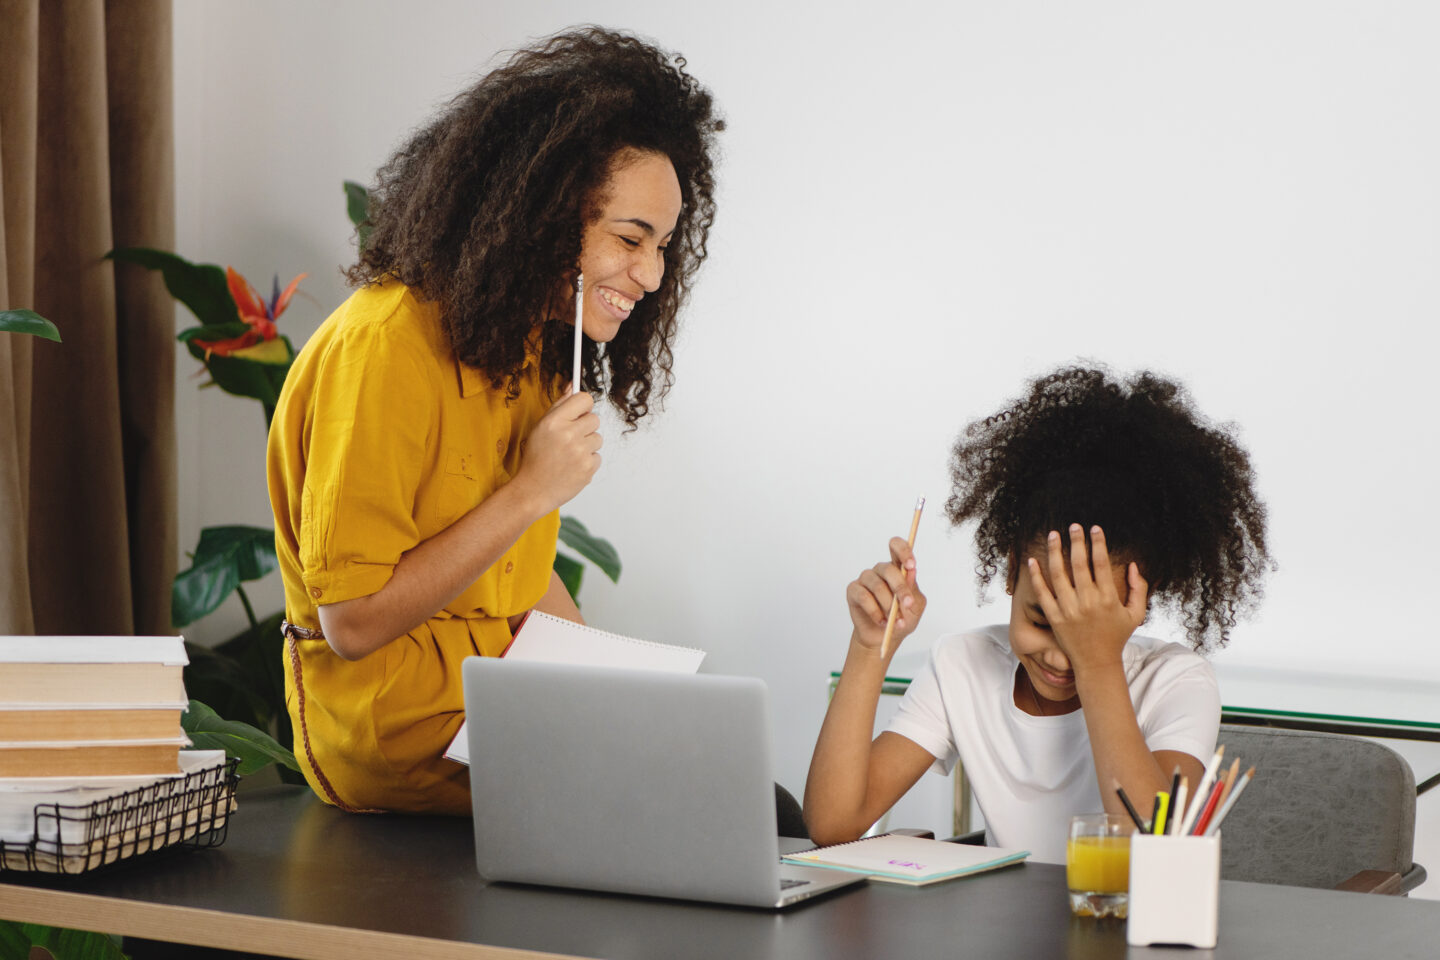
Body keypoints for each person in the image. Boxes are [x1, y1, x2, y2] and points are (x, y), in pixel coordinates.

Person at [266, 28, 722, 815]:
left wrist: (634, 693)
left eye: (663, 247)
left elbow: (513, 576)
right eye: (629, 238)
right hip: (401, 738)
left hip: (493, 708)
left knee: (732, 788)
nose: (650, 275)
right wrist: (529, 492)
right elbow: (353, 621)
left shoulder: (528, 342)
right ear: (541, 213)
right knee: (687, 809)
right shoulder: (385, 346)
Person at [804, 367, 1271, 861]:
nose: (1060, 657)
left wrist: (1098, 663)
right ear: (1011, 573)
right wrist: (867, 647)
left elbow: (1157, 853)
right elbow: (834, 823)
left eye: (1085, 632)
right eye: (1043, 621)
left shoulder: (1178, 682)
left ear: (1138, 604)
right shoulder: (963, 664)